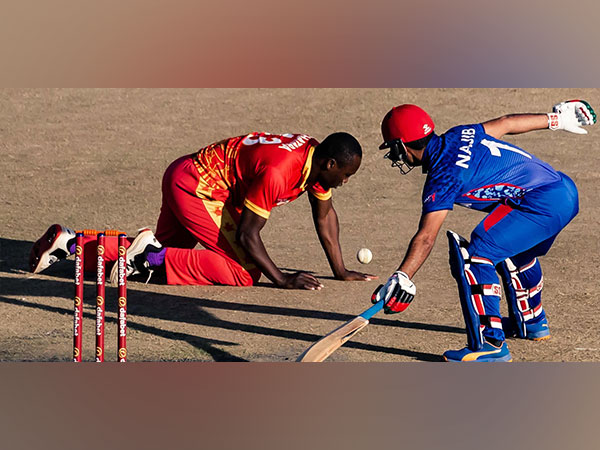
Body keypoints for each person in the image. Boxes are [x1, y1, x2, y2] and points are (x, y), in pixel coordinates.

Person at [371, 100, 596, 362]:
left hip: (542, 202)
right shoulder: (459, 133)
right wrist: (555, 120)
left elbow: (426, 237)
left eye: (393, 148)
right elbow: (507, 122)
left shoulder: (442, 176)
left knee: (478, 252)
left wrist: (403, 276)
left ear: (401, 145)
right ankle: (532, 322)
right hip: (562, 188)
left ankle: (490, 344)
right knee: (509, 247)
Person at [30, 131, 376, 289]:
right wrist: (282, 278)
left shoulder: (314, 162)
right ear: (331, 163)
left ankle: (69, 245)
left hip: (185, 174)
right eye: (345, 175)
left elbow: (325, 217)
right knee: (245, 272)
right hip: (197, 188)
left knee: (164, 254)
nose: (345, 182)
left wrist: (341, 270)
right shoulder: (281, 171)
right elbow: (247, 234)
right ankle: (150, 257)